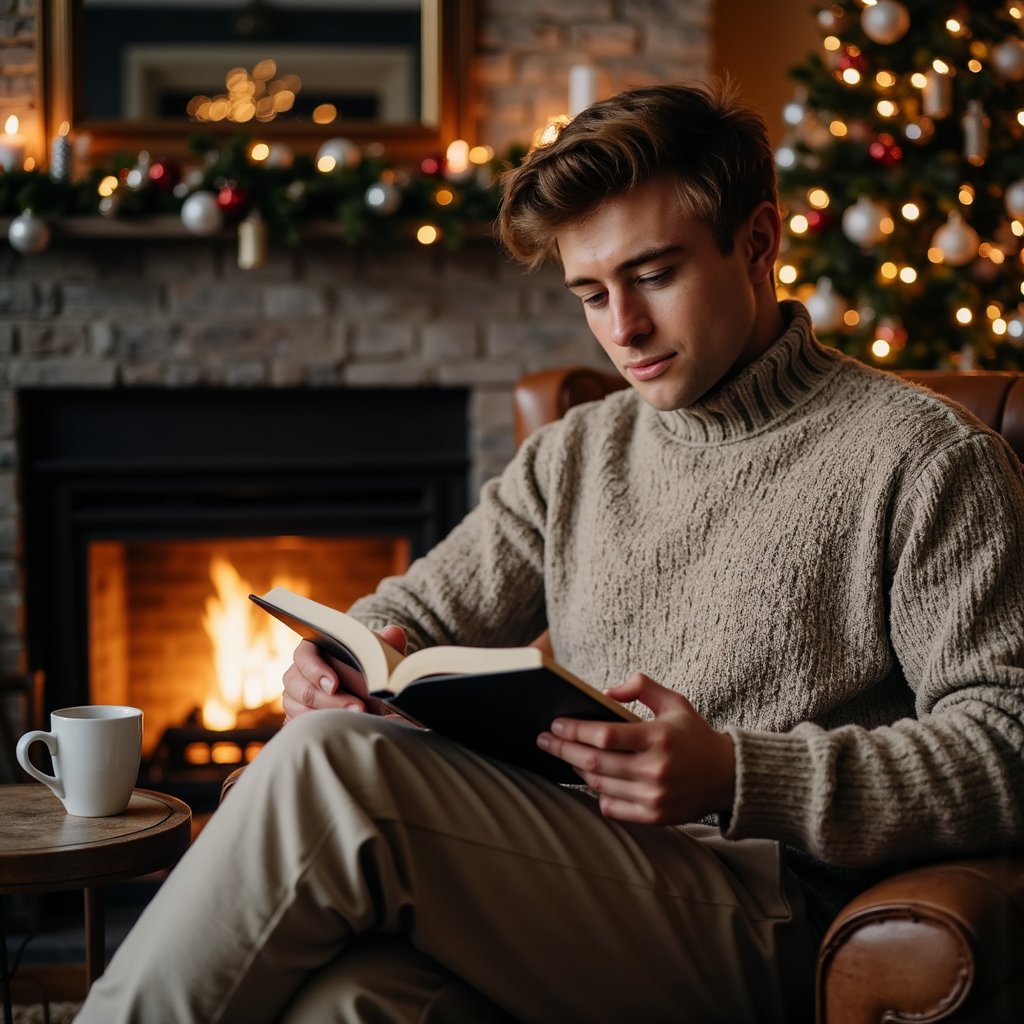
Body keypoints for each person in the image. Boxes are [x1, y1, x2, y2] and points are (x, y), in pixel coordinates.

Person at [77, 80, 1024, 1024]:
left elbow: (1008, 746)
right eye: (591, 294)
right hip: (579, 878)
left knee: (334, 770)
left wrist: (737, 773)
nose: (624, 330)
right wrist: (336, 661)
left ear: (758, 243)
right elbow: (417, 611)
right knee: (345, 1001)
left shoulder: (926, 458)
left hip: (775, 911)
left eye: (653, 276)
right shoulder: (578, 451)